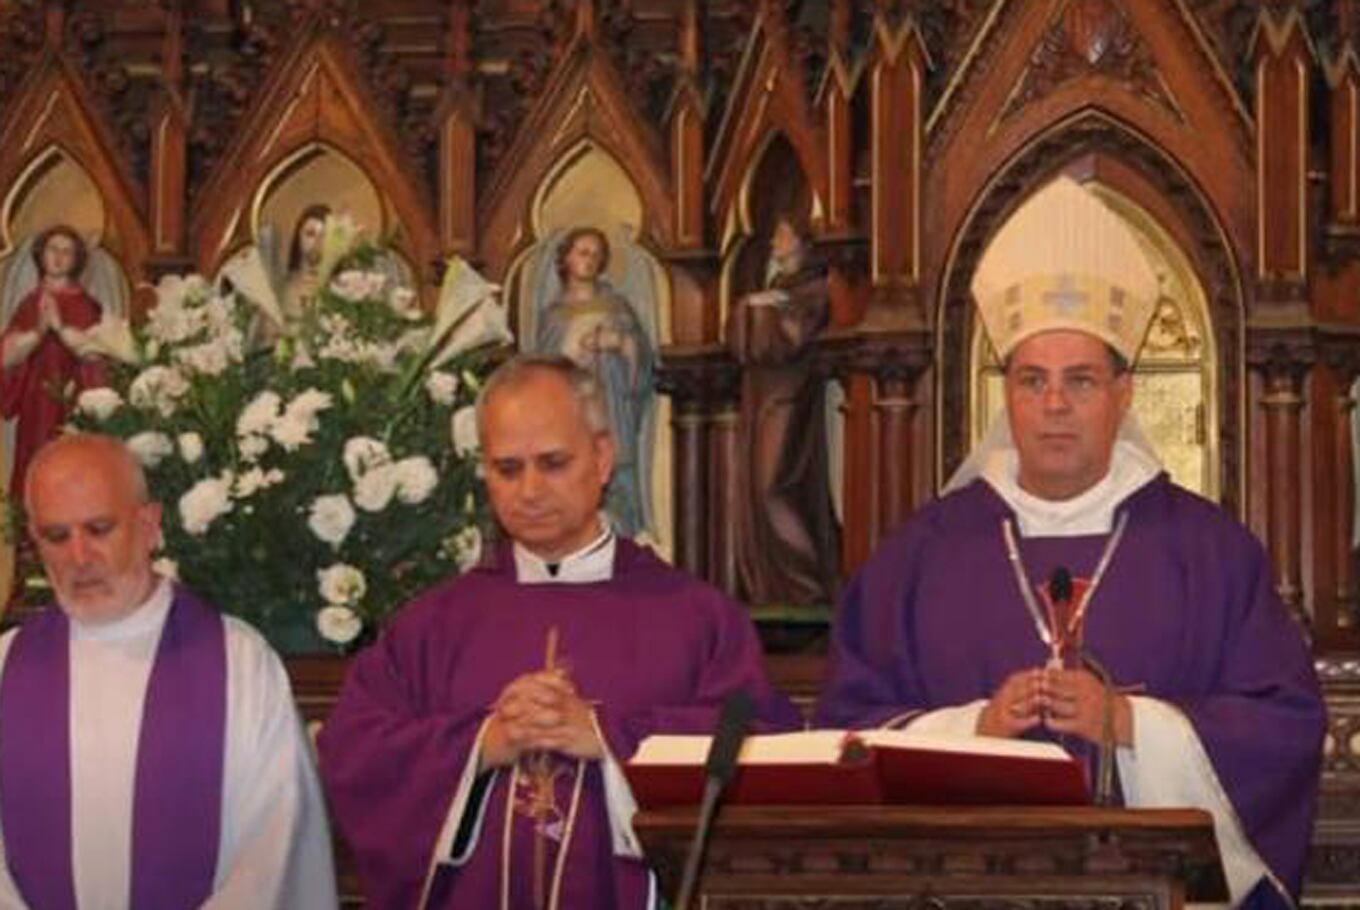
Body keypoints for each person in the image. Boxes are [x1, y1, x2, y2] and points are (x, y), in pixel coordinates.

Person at [814, 178, 1325, 909]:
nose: (1054, 405)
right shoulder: (918, 558)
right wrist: (973, 729)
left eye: (1080, 380)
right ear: (1007, 395)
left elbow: (1283, 727)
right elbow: (843, 735)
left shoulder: (1211, 553)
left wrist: (1132, 727)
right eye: (1032, 380)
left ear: (1124, 395)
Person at [319, 355, 800, 909]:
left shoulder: (697, 617)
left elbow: (763, 746)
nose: (529, 490)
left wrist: (606, 737)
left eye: (552, 463)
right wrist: (482, 745)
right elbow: (355, 751)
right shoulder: (429, 626)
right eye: (507, 468)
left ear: (601, 458)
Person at [0, 433, 338, 908]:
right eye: (57, 536)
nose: (79, 557)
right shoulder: (6, 667)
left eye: (98, 529)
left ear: (149, 525)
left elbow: (273, 847)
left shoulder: (239, 663)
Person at [724, 214, 838, 605]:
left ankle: (806, 588)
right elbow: (739, 341)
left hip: (790, 394)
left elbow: (796, 335)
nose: (774, 239)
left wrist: (772, 309)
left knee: (775, 485)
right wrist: (757, 306)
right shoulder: (778, 287)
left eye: (783, 234)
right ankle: (773, 587)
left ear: (804, 243)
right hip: (761, 395)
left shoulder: (817, 287)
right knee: (755, 490)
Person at [534, 226, 654, 537]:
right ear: (566, 259)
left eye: (597, 254)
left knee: (617, 475)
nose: (590, 260)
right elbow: (544, 370)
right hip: (573, 411)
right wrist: (573, 355)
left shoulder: (618, 307)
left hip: (613, 408)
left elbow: (642, 357)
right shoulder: (554, 315)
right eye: (583, 252)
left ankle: (623, 541)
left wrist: (618, 342)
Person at [0, 226, 110, 498]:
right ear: (41, 255)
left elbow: (95, 352)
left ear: (76, 260)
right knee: (33, 465)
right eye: (53, 250)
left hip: (72, 402)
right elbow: (6, 355)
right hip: (36, 403)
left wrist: (60, 328)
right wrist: (37, 332)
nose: (59, 257)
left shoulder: (85, 304)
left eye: (66, 251)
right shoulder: (30, 303)